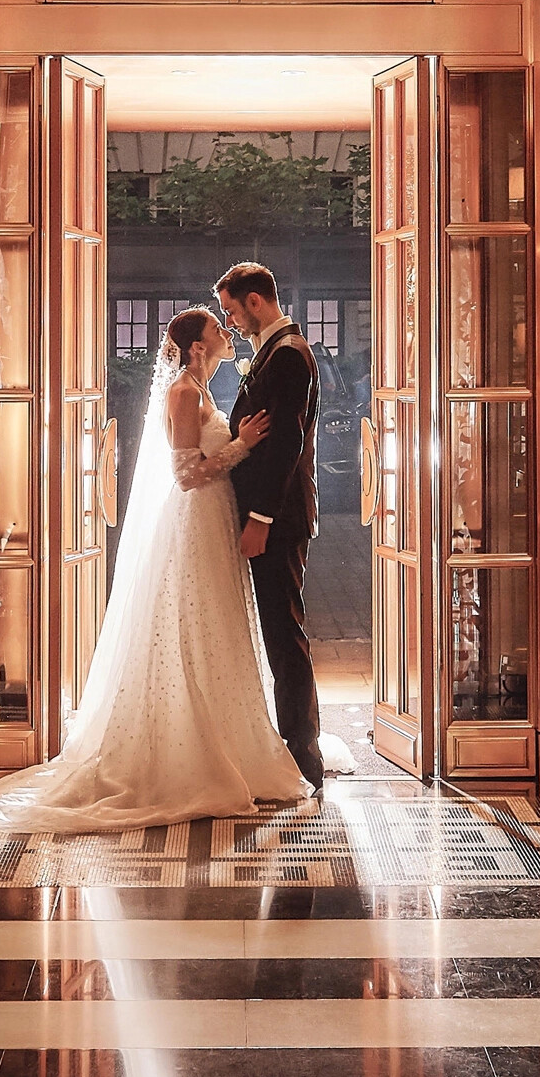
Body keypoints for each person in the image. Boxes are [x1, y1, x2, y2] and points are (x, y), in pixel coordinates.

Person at [0, 307, 314, 833]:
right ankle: (188, 748)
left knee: (216, 629)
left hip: (214, 519)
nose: (226, 332)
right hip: (195, 519)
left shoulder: (202, 390)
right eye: (216, 328)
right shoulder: (184, 393)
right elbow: (187, 474)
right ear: (197, 347)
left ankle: (231, 739)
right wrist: (241, 445)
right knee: (189, 627)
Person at [216, 260, 328, 791]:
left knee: (284, 634)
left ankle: (303, 753)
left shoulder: (288, 355)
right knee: (278, 631)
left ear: (255, 301)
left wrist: (260, 518)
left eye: (232, 311)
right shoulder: (275, 351)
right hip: (271, 516)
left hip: (278, 520)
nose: (231, 322)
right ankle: (292, 744)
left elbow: (286, 443)